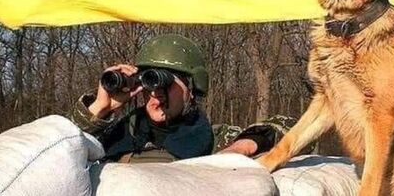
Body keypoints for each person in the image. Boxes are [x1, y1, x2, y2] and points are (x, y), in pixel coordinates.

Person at [72, 33, 305, 163]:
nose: (156, 92)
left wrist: (243, 147)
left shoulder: (212, 139)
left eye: (166, 82)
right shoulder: (112, 138)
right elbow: (58, 151)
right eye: (149, 81)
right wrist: (100, 107)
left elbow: (294, 129)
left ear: (191, 89)